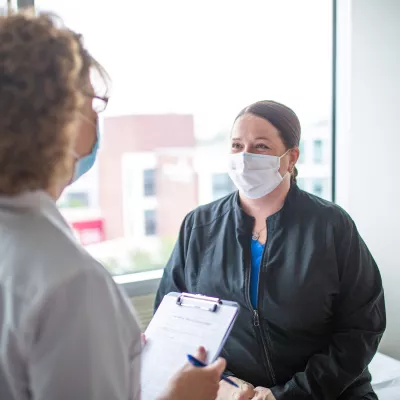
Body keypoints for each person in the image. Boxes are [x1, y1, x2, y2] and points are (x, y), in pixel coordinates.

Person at [0, 10, 228, 400]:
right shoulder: (71, 282)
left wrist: (109, 344)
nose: (97, 112)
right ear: (63, 118)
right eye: (93, 100)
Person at [155, 100, 386, 399]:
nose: (245, 156)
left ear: (290, 158)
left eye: (261, 146)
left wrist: (286, 395)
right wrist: (226, 384)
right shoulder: (199, 227)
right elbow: (172, 322)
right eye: (237, 145)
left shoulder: (331, 226)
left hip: (328, 393)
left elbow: (362, 329)